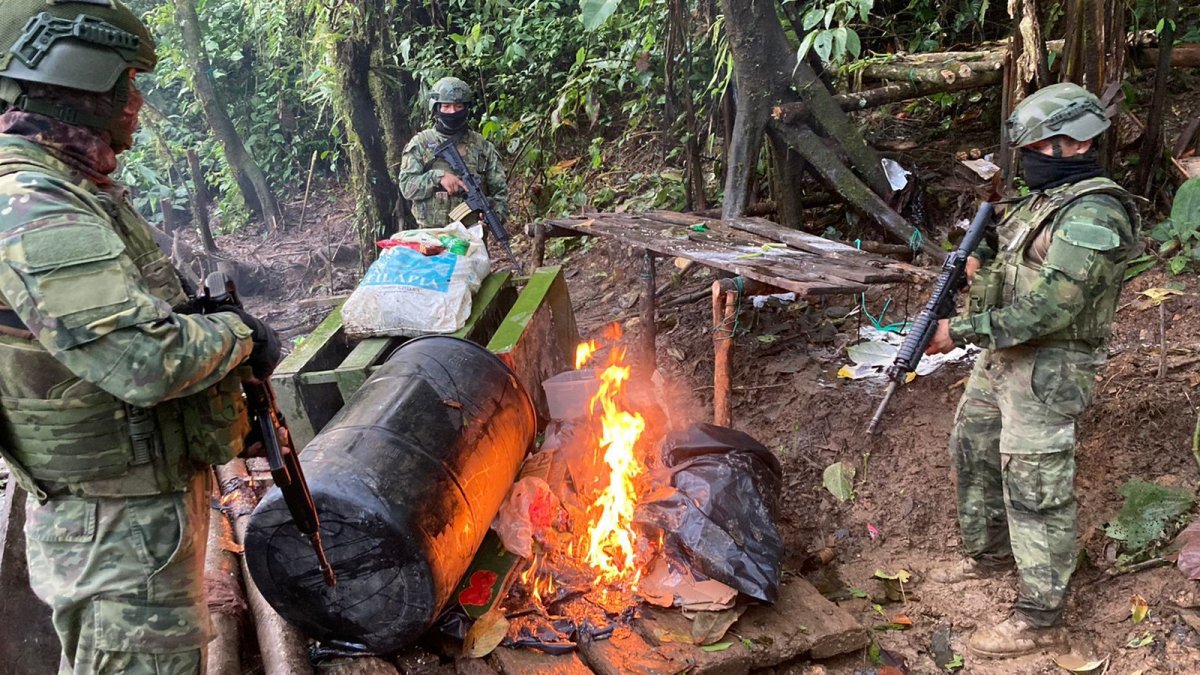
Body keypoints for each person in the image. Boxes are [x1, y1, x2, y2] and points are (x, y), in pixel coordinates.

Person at [0, 1, 280, 672]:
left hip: (129, 513)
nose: (136, 100)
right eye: (125, 79)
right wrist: (238, 336)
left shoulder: (69, 186)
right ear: (75, 83)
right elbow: (143, 358)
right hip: (114, 529)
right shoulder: (33, 203)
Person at [924, 81, 1141, 658]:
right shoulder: (1043, 201)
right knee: (972, 447)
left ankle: (1042, 619)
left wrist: (959, 333)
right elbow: (1015, 261)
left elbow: (1053, 307)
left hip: (1049, 368)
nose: (1030, 160)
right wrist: (981, 262)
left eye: (1040, 147)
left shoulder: (1094, 211)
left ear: (1074, 144)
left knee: (1036, 490)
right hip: (1004, 357)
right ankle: (992, 557)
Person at [397, 76, 509, 229]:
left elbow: (500, 194)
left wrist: (495, 215)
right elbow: (406, 186)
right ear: (436, 108)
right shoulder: (421, 143)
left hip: (471, 238)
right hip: (431, 237)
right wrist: (438, 177)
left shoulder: (483, 147)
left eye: (458, 106)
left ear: (466, 108)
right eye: (446, 106)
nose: (452, 112)